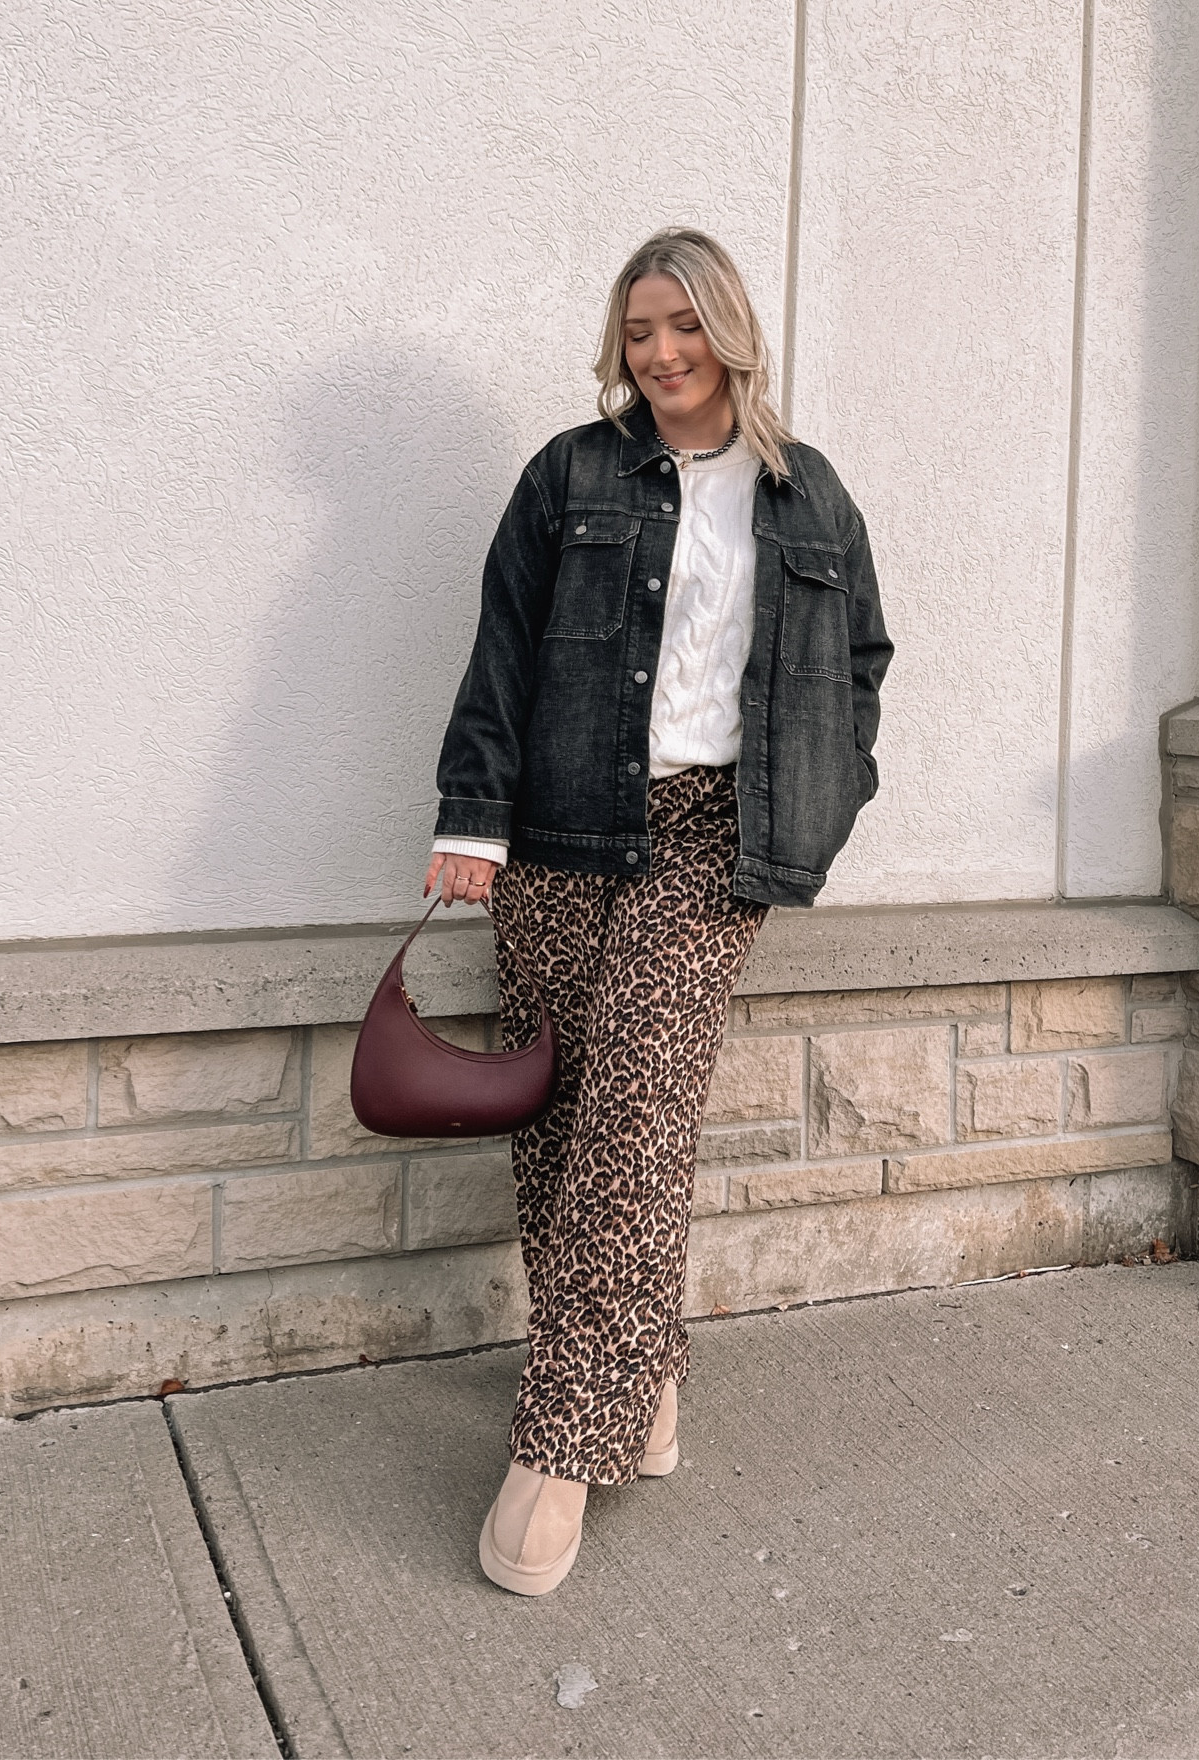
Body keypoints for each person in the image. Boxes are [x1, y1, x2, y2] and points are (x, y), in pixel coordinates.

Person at [426, 226, 891, 1595]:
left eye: (683, 326)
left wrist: (822, 800)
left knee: (636, 1111)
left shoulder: (808, 500)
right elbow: (502, 644)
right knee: (563, 1125)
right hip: (563, 828)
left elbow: (858, 665)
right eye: (639, 331)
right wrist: (472, 816)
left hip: (708, 841)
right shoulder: (570, 476)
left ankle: (558, 1446)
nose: (662, 354)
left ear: (729, 331)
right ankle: (648, 1375)